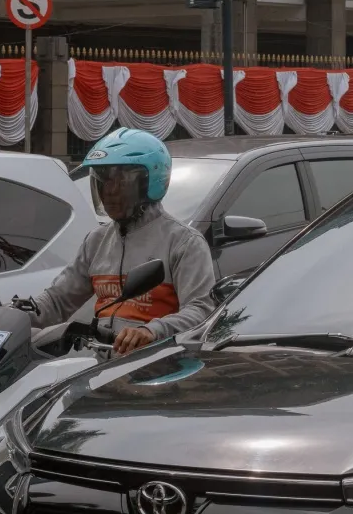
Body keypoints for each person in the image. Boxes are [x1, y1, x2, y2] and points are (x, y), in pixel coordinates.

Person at [23, 127, 217, 353]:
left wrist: (152, 331)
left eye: (120, 182)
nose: (109, 192)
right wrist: (10, 316)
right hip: (99, 364)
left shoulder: (184, 242)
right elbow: (57, 301)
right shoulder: (96, 241)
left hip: (157, 364)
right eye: (103, 182)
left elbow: (201, 310)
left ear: (150, 183)